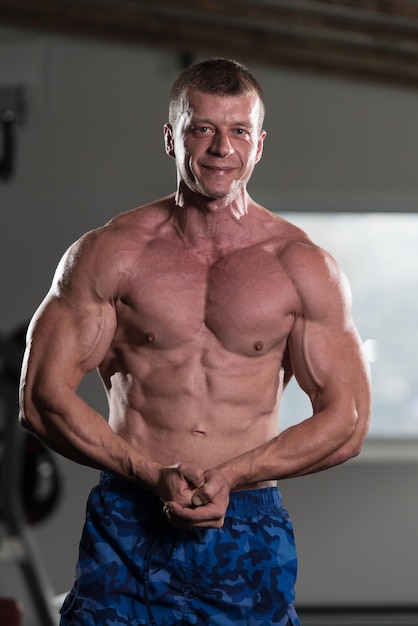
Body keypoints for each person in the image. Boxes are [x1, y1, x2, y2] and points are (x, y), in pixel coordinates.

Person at [19, 58, 371, 626]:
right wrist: (144, 470)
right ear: (172, 138)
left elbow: (348, 421)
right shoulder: (112, 254)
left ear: (259, 145)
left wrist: (234, 475)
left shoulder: (300, 266)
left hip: (247, 519)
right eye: (202, 127)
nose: (220, 148)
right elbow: (40, 398)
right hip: (129, 515)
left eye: (237, 131)